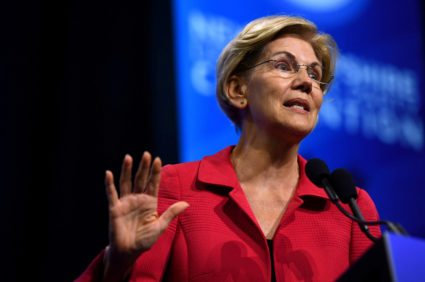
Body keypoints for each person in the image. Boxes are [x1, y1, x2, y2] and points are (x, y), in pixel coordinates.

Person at [76, 15, 381, 282]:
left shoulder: (349, 208)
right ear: (238, 89)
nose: (306, 82)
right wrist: (117, 265)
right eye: (285, 66)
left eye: (315, 74)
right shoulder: (176, 189)